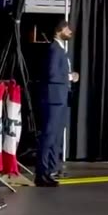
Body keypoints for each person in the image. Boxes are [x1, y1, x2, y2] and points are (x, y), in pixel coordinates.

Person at [37, 21, 78, 188]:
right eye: (68, 29)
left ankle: (51, 169)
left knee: (56, 137)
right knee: (49, 136)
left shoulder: (61, 50)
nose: (70, 32)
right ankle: (42, 172)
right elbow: (52, 74)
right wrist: (69, 77)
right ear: (60, 30)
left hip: (60, 99)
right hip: (53, 99)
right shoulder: (55, 49)